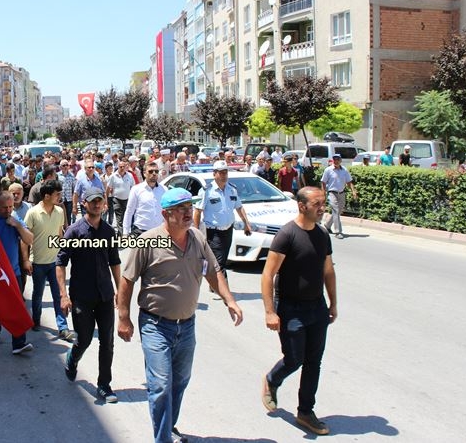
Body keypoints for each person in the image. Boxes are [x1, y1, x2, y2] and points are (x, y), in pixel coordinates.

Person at [117, 188, 243, 443]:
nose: (189, 213)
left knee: (180, 382)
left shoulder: (197, 238)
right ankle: (162, 439)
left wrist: (230, 300)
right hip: (155, 324)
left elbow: (213, 271)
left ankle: (169, 427)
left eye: (190, 207)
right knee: (161, 385)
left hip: (186, 325)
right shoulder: (150, 241)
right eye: (182, 209)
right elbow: (127, 280)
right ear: (166, 214)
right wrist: (123, 317)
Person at [261, 187, 338, 436]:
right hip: (291, 309)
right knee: (295, 359)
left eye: (323, 203)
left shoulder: (322, 234)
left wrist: (333, 302)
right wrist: (270, 311)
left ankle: (306, 411)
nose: (321, 207)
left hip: (316, 307)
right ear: (302, 206)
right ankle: (273, 379)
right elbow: (268, 274)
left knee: (314, 362)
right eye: (317, 203)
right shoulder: (287, 234)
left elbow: (328, 270)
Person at [56, 187, 121, 402]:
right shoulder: (74, 231)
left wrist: (120, 289)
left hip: (104, 295)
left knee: (107, 341)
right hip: (82, 295)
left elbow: (115, 262)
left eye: (99, 201)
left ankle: (104, 385)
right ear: (84, 203)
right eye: (92, 201)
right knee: (83, 340)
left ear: (104, 204)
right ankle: (73, 358)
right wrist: (64, 296)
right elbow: (60, 263)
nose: (96, 205)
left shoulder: (109, 232)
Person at [24, 180, 74, 342]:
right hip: (37, 262)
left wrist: (64, 255)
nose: (60, 197)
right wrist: (26, 260)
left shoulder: (60, 211)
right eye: (57, 194)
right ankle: (36, 319)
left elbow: (60, 235)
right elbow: (25, 239)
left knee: (59, 295)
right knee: (37, 295)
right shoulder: (32, 213)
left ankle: (63, 327)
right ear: (46, 196)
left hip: (55, 263)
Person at [0, 191, 35, 355]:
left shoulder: (15, 220)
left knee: (17, 307)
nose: (8, 210)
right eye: (4, 207)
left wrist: (18, 225)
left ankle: (19, 342)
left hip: (13, 272)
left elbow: (29, 240)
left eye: (10, 207)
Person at [193, 160, 252, 274]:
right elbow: (197, 211)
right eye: (221, 173)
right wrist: (196, 231)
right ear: (214, 174)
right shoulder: (207, 191)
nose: (224, 175)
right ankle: (222, 288)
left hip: (228, 230)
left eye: (225, 172)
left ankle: (214, 282)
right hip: (214, 232)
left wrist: (246, 224)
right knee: (219, 262)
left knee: (222, 260)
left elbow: (239, 207)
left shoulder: (231, 189)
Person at [123, 161, 166, 237]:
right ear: (144, 173)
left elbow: (167, 211)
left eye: (156, 171)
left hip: (159, 232)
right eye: (150, 171)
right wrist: (125, 232)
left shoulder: (164, 189)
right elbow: (129, 211)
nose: (154, 173)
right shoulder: (136, 189)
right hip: (140, 232)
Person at [320, 154, 357, 239]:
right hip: (332, 193)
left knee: (338, 211)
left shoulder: (344, 170)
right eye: (334, 159)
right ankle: (338, 231)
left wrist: (353, 191)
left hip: (342, 193)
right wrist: (323, 192)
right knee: (336, 211)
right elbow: (323, 182)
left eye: (337, 159)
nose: (336, 161)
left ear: (340, 160)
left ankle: (327, 225)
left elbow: (349, 182)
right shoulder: (328, 170)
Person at [107, 160, 133, 233]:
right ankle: (122, 236)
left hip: (127, 200)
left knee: (125, 217)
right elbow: (108, 189)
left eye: (123, 167)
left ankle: (120, 233)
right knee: (119, 218)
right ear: (117, 167)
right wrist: (106, 201)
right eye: (120, 167)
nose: (122, 168)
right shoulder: (113, 176)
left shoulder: (129, 176)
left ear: (125, 167)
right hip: (116, 199)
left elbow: (133, 187)